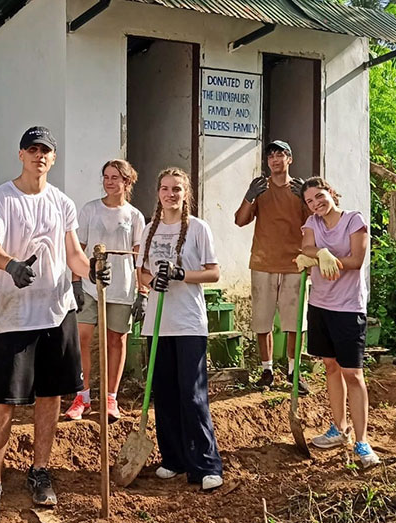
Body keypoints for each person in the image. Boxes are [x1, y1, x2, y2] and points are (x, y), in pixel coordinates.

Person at [0, 126, 110, 523]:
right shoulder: (2, 196)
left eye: (45, 151)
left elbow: (74, 255)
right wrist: (11, 265)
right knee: (2, 403)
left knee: (50, 397)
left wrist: (92, 272)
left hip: (57, 313)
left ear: (53, 159)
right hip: (15, 318)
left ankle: (40, 470)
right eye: (32, 149)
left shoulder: (62, 203)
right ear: (21, 155)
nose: (39, 156)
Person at [138, 167, 223, 490]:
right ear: (158, 193)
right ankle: (172, 458)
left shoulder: (199, 229)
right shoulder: (149, 230)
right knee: (165, 394)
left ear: (185, 193)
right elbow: (142, 275)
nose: (170, 194)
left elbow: (213, 273)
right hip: (158, 326)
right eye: (165, 188)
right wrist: (151, 281)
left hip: (188, 323)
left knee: (192, 394)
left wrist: (181, 275)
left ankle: (205, 465)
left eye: (176, 189)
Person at [295, 177, 379, 467]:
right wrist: (319, 253)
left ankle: (362, 441)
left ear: (330, 193)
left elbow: (356, 260)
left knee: (353, 374)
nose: (316, 203)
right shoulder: (312, 224)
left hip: (348, 307)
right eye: (310, 201)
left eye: (320, 196)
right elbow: (306, 246)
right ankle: (339, 428)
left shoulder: (353, 220)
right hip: (319, 305)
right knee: (330, 366)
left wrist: (331, 259)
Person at [65, 159, 146, 423]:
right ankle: (82, 397)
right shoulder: (90, 210)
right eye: (106, 176)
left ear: (127, 182)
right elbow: (80, 247)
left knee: (116, 340)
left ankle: (111, 397)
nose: (109, 182)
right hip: (91, 285)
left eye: (115, 177)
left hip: (121, 288)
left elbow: (138, 257)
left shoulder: (134, 216)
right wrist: (76, 282)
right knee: (83, 338)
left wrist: (142, 292)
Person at [234, 140, 310, 394]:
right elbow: (240, 220)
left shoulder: (300, 190)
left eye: (281, 155)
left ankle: (293, 370)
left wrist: (307, 201)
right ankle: (266, 370)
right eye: (271, 156)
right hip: (263, 262)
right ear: (267, 161)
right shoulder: (261, 189)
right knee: (262, 321)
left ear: (290, 159)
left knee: (293, 323)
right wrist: (248, 196)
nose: (275, 160)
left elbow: (314, 224)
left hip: (294, 263)